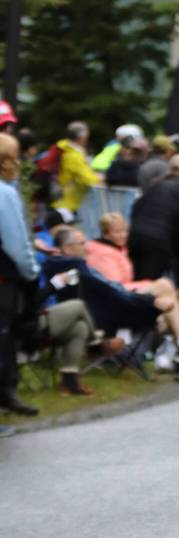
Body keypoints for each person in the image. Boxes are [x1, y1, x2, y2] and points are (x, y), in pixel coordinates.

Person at [80, 218, 179, 368]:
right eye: (117, 232)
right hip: (113, 305)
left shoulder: (117, 249)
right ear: (105, 233)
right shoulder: (101, 253)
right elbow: (114, 288)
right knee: (164, 286)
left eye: (125, 231)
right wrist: (148, 285)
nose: (123, 235)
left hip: (122, 299)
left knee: (167, 308)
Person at [0, 132, 42, 416]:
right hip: (3, 275)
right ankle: (5, 393)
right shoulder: (5, 193)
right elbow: (16, 241)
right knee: (4, 335)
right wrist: (32, 272)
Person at [129, 156, 179, 287]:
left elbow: (137, 207)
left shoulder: (155, 186)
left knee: (137, 281)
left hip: (136, 236)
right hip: (159, 243)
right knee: (149, 287)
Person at [53, 121, 101, 214]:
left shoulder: (68, 151)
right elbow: (87, 179)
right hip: (68, 204)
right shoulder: (73, 155)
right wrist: (100, 178)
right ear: (82, 137)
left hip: (65, 201)